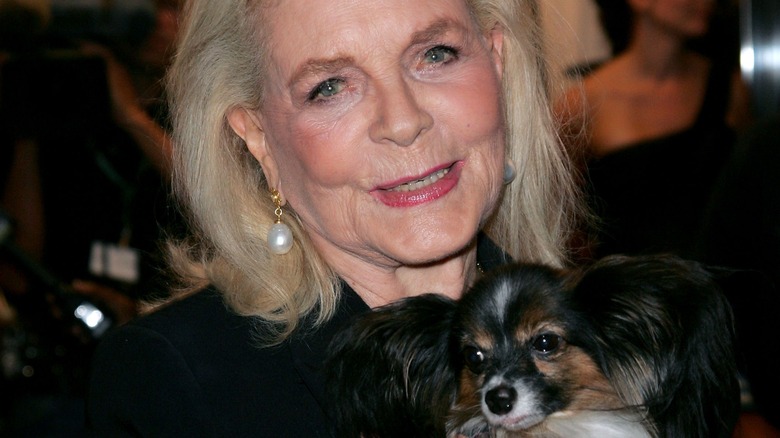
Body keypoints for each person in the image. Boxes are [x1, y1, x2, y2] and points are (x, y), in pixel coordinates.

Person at [85, 0, 584, 435]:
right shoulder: (177, 379)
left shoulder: (601, 336)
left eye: (436, 54)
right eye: (329, 87)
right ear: (259, 139)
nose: (404, 121)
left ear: (496, 63)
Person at [563, 0, 751, 259]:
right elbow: (558, 218)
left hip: (718, 285)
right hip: (633, 291)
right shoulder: (583, 103)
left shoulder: (731, 91)